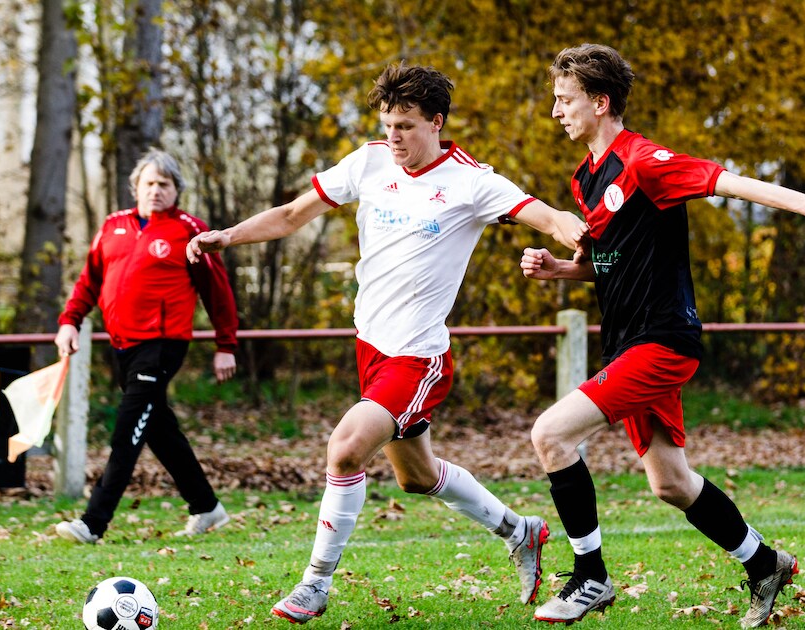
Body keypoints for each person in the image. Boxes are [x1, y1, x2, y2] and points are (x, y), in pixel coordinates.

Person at [187, 63, 586, 623]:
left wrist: (570, 225)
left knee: (346, 447)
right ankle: (521, 531)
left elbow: (540, 214)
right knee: (416, 477)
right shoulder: (369, 162)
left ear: (437, 123)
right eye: (388, 124)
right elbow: (290, 215)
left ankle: (315, 584)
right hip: (369, 347)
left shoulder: (471, 180)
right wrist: (229, 235)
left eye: (406, 125)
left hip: (417, 356)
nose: (394, 137)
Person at [518, 44, 805, 627]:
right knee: (671, 483)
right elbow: (612, 261)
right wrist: (562, 271)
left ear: (600, 102)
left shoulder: (644, 161)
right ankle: (765, 563)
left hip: (662, 341)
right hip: (628, 343)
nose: (556, 111)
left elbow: (729, 183)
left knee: (551, 435)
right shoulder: (587, 177)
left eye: (565, 99)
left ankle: (591, 578)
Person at [53, 148, 240, 544]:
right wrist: (70, 321)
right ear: (135, 186)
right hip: (121, 344)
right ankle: (207, 507)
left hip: (162, 345)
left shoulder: (190, 229)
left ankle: (93, 523)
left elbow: (217, 292)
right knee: (158, 429)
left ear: (176, 191)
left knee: (128, 431)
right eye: (149, 183)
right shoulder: (112, 226)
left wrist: (226, 344)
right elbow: (89, 280)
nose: (156, 190)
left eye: (165, 184)